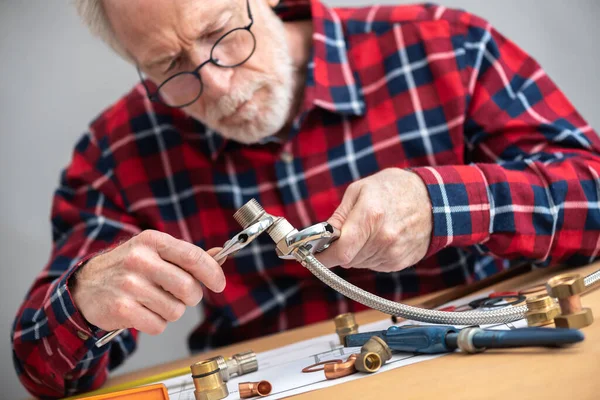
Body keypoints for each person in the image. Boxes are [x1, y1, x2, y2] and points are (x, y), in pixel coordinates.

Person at [11, 0, 600, 397]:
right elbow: (41, 373)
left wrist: (439, 203)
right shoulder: (118, 153)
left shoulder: (446, 49)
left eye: (221, 33)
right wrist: (88, 300)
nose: (216, 84)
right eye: (168, 66)